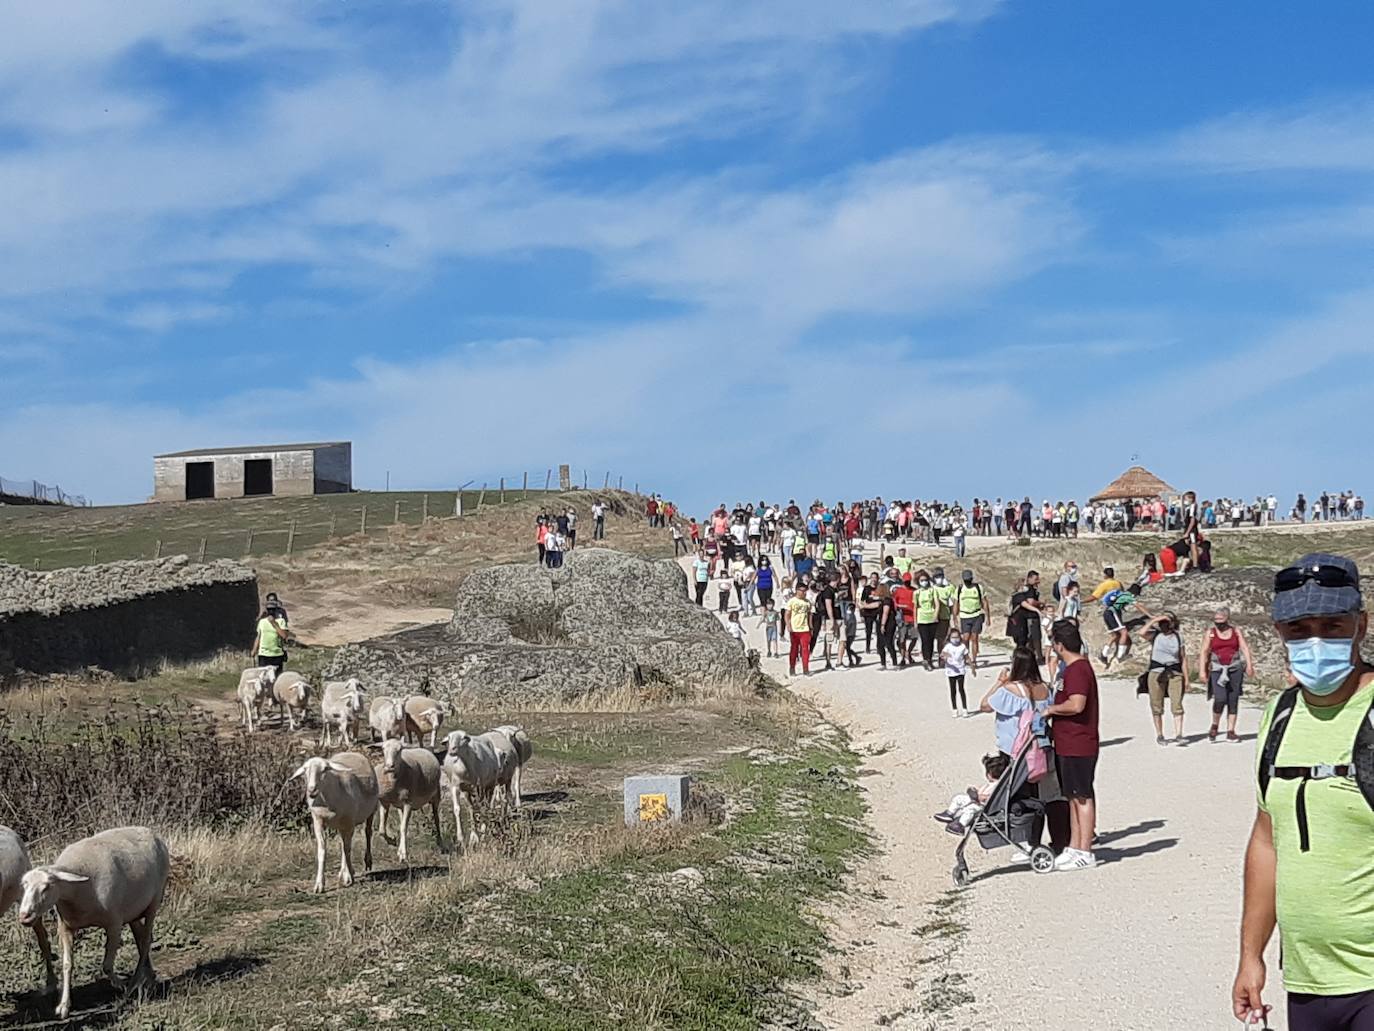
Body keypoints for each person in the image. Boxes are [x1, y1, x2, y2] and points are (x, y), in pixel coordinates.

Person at [1234, 553, 1374, 1030]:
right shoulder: (1279, 715)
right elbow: (1267, 841)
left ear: (1361, 624)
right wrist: (1251, 956)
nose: (1315, 641)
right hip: (1307, 983)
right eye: (1299, 629)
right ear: (1279, 631)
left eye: (1332, 626)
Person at [1043, 620, 1100, 871]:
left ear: (1060, 644)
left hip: (1080, 742)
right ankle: (1074, 845)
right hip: (1066, 742)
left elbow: (1077, 704)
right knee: (1071, 797)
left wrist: (1052, 709)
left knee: (1083, 796)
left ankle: (1086, 850)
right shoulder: (1068, 669)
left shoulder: (1078, 670)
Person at [1199, 606, 1254, 743]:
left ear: (1227, 618)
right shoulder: (1211, 633)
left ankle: (1231, 730)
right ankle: (1215, 724)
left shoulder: (1236, 632)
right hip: (1217, 669)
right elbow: (1204, 652)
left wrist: (1250, 665)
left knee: (1233, 699)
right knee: (1220, 698)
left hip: (1235, 669)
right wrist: (1202, 671)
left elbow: (1244, 648)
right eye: (1216, 619)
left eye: (1221, 619)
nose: (1218, 622)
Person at [933, 752, 1011, 832]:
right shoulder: (993, 784)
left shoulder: (997, 786)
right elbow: (983, 790)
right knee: (958, 798)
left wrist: (980, 796)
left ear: (989, 774)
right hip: (976, 800)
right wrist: (974, 790)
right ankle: (949, 813)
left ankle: (961, 825)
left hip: (981, 805)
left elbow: (991, 797)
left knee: (970, 810)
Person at [1142, 612, 1188, 745]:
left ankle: (1179, 734)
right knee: (1156, 704)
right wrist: (1154, 620)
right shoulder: (1155, 635)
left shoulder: (1179, 637)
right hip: (1157, 671)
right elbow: (1141, 632)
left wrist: (1187, 678)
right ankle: (1160, 735)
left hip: (1174, 671)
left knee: (1177, 703)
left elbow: (1183, 657)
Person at [956, 570, 989, 675]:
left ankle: (974, 660)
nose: (967, 581)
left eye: (969, 579)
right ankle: (966, 657)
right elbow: (956, 603)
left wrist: (988, 617)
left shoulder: (978, 588)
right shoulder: (960, 589)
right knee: (965, 638)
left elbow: (984, 602)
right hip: (964, 615)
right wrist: (954, 618)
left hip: (976, 615)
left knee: (974, 638)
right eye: (966, 580)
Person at [914, 571, 941, 670]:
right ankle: (926, 659)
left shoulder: (932, 590)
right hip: (922, 619)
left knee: (931, 640)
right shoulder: (917, 593)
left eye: (925, 580)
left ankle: (929, 659)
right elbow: (915, 607)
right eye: (922, 580)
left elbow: (937, 604)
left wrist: (935, 615)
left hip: (932, 618)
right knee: (925, 640)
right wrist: (915, 621)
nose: (924, 582)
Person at [251, 605, 290, 672]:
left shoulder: (281, 621)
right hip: (264, 654)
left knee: (276, 677)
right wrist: (254, 650)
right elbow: (259, 636)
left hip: (277, 654)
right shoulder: (262, 622)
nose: (271, 611)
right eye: (269, 609)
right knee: (263, 676)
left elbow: (284, 636)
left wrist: (274, 623)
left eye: (273, 609)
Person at [942, 629, 970, 718]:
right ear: (950, 638)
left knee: (961, 689)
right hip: (951, 670)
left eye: (957, 637)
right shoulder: (948, 646)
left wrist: (972, 667)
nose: (955, 639)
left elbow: (967, 657)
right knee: (952, 690)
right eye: (953, 637)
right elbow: (942, 654)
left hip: (961, 670)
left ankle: (965, 709)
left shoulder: (962, 646)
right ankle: (955, 709)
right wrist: (944, 657)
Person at [786, 584, 813, 677]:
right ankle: (792, 667)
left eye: (805, 591)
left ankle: (806, 669)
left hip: (805, 629)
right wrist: (788, 625)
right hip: (795, 629)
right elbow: (787, 614)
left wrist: (811, 627)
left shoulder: (807, 602)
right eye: (802, 590)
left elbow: (810, 615)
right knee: (794, 649)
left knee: (805, 649)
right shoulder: (792, 601)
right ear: (797, 590)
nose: (804, 593)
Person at [874, 583, 898, 670]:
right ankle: (883, 663)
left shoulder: (887, 600)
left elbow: (885, 613)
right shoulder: (881, 600)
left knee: (889, 643)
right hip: (881, 622)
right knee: (880, 645)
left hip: (888, 624)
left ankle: (895, 663)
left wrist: (882, 625)